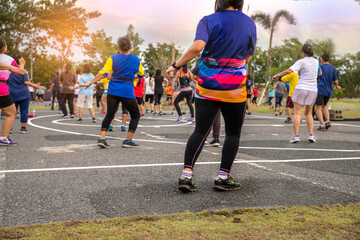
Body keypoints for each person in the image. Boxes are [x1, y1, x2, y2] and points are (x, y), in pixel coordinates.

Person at [166, 0, 256, 192]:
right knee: (233, 133)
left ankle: (186, 175)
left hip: (208, 86)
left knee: (200, 131)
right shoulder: (249, 23)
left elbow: (198, 47)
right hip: (234, 88)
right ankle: (223, 177)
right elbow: (247, 57)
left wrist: (175, 65)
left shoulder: (208, 20)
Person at [83, 36, 144, 148]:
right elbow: (141, 75)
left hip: (113, 90)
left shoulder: (112, 58)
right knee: (135, 115)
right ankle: (128, 140)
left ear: (119, 47)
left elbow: (103, 73)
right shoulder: (136, 60)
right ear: (130, 47)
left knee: (110, 114)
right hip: (127, 91)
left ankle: (102, 138)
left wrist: (90, 82)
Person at [273, 43, 319, 143]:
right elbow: (319, 73)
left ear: (302, 52)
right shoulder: (316, 61)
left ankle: (296, 136)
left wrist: (277, 75)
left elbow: (289, 71)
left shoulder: (301, 61)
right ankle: (311, 135)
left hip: (301, 87)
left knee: (297, 112)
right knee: (309, 113)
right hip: (313, 89)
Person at [0, 37, 27, 145]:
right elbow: (21, 72)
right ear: (4, 48)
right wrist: (22, 65)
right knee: (11, 113)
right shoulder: (8, 59)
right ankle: (4, 137)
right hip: (1, 87)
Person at [8, 54, 40, 133]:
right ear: (20, 60)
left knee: (11, 112)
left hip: (12, 93)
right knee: (24, 111)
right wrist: (34, 85)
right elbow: (26, 82)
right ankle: (23, 128)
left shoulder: (9, 70)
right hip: (23, 93)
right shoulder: (24, 71)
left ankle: (9, 128)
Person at [315, 53, 341, 131]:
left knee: (318, 108)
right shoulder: (333, 68)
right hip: (329, 90)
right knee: (324, 106)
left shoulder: (319, 67)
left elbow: (316, 79)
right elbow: (335, 81)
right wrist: (337, 86)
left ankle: (322, 125)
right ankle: (328, 121)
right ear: (329, 60)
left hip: (320, 89)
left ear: (322, 59)